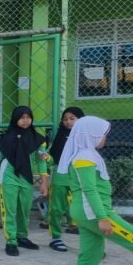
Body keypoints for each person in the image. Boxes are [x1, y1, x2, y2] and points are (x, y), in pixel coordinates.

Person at [58, 116, 133, 265]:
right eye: (103, 134)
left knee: (91, 254)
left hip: (89, 212)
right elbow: (89, 190)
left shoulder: (88, 155)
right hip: (93, 213)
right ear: (91, 134)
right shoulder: (84, 157)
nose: (105, 138)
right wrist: (103, 217)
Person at [0, 106, 48, 256]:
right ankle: (11, 241)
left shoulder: (38, 139)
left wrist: (44, 182)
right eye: (21, 117)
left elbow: (42, 161)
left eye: (28, 117)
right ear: (15, 119)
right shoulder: (7, 138)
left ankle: (22, 237)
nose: (25, 121)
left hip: (26, 178)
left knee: (24, 210)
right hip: (8, 176)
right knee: (10, 210)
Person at [47, 107, 84, 252]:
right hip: (60, 177)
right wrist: (46, 158)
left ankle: (89, 243)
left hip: (79, 176)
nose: (68, 122)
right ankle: (56, 238)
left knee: (80, 209)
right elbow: (53, 157)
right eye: (65, 119)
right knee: (56, 208)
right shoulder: (61, 136)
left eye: (72, 118)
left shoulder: (85, 136)